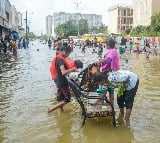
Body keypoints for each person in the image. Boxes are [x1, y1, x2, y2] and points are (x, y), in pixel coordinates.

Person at [47, 45, 83, 113]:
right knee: (67, 99)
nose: (68, 55)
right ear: (64, 52)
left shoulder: (58, 58)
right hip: (62, 82)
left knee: (61, 98)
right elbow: (63, 72)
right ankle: (51, 109)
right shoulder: (61, 60)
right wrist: (73, 69)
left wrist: (72, 70)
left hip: (58, 81)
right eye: (68, 53)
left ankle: (61, 111)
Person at [98, 38, 120, 104]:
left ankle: (106, 106)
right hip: (108, 74)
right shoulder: (111, 51)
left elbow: (108, 60)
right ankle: (110, 106)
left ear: (108, 45)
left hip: (109, 75)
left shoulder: (112, 51)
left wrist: (100, 61)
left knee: (106, 91)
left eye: (106, 44)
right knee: (109, 91)